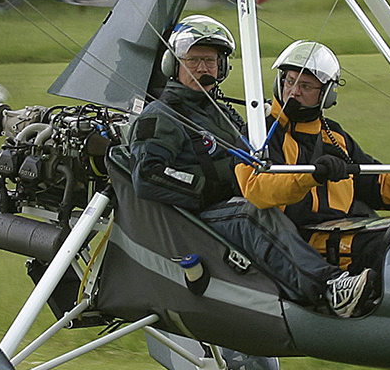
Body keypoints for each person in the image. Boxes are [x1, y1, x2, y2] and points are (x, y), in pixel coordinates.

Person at [126, 16, 369, 318]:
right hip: (195, 217)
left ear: (222, 68)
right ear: (173, 65)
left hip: (227, 204)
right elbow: (149, 174)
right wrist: (209, 188)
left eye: (210, 62)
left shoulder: (222, 113)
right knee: (251, 212)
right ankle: (328, 288)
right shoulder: (162, 116)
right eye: (194, 60)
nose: (203, 69)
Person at [236, 40, 390, 269]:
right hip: (298, 240)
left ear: (326, 94)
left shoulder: (334, 135)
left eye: (306, 86)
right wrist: (313, 176)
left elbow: (377, 187)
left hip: (346, 230)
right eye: (290, 82)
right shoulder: (260, 131)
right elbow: (256, 190)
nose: (294, 92)